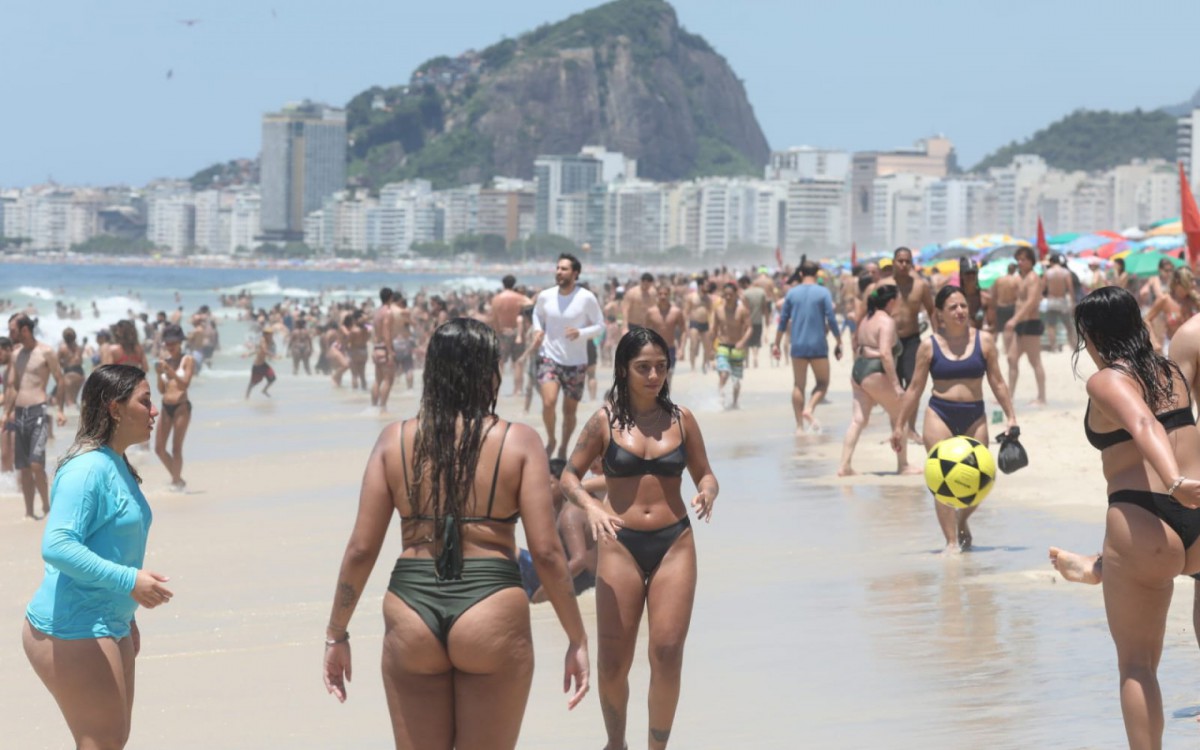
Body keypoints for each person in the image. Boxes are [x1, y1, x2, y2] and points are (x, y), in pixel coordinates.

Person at [321, 319, 589, 749]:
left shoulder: (395, 440)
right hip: (492, 608)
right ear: (488, 373)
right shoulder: (519, 442)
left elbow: (360, 549)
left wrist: (337, 633)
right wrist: (576, 637)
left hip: (411, 606)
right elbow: (547, 552)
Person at [1045, 287, 1200, 749]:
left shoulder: (1107, 380)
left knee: (1137, 665)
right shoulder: (1171, 370)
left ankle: (1098, 568)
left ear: (1089, 334)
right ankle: (1096, 567)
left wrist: (1173, 481)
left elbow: (1144, 426)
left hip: (1148, 518)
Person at [560, 326, 718, 750]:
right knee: (613, 662)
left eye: (661, 367)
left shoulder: (682, 419)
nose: (653, 375)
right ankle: (616, 743)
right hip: (620, 544)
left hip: (674, 543)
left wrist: (707, 490)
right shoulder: (604, 421)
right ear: (624, 369)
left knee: (666, 653)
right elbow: (568, 475)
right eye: (643, 367)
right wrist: (592, 507)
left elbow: (704, 471)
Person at [22, 364, 174, 750]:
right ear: (115, 408)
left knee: (112, 741)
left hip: (110, 620)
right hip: (73, 625)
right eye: (145, 400)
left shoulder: (116, 461)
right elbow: (57, 545)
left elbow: (111, 543)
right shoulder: (87, 468)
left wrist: (128, 612)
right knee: (102, 743)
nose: (154, 410)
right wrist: (130, 582)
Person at [890, 285, 1018, 552]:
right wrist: (900, 425)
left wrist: (1011, 417)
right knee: (941, 478)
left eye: (963, 306)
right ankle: (950, 542)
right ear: (939, 313)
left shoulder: (984, 341)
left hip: (974, 414)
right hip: (940, 414)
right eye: (953, 307)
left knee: (984, 475)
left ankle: (962, 519)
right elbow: (914, 388)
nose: (960, 311)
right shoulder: (929, 346)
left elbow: (997, 381)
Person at [838, 285, 918, 477]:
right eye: (897, 299)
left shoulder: (865, 319)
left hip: (858, 370)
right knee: (900, 415)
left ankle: (844, 466)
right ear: (891, 302)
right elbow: (885, 353)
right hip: (874, 371)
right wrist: (896, 385)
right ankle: (903, 465)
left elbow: (858, 345)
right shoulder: (886, 321)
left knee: (858, 421)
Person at [531, 253, 604, 459]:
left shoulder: (586, 297)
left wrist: (580, 333)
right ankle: (551, 439)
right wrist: (538, 330)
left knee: (569, 411)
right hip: (549, 356)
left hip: (576, 362)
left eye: (564, 269)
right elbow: (537, 314)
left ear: (575, 273)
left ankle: (563, 446)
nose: (559, 272)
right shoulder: (546, 295)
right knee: (548, 402)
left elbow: (600, 326)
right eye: (557, 268)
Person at [5, 314, 68, 519]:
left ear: (25, 330)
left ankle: (47, 507)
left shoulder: (46, 352)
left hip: (39, 411)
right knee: (23, 467)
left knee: (36, 464)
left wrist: (60, 410)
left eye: (12, 330)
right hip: (19, 413)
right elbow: (13, 387)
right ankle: (29, 513)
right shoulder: (16, 355)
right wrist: (6, 413)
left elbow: (60, 380)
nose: (9, 334)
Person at [772, 261, 843, 434]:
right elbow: (832, 319)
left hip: (798, 344)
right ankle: (809, 409)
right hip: (818, 344)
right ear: (817, 274)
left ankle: (799, 427)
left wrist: (777, 343)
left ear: (801, 274)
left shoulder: (791, 294)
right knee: (823, 383)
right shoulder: (823, 292)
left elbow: (782, 321)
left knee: (798, 385)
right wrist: (839, 340)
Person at [153, 325, 194, 491]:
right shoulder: (166, 361)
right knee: (159, 448)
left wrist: (172, 372)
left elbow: (185, 385)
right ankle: (178, 479)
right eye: (168, 343)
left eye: (173, 343)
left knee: (176, 448)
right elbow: (162, 390)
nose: (170, 347)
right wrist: (158, 374)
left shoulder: (187, 360)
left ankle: (176, 483)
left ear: (180, 343)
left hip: (181, 407)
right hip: (165, 406)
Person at [1005, 246, 1047, 405]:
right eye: (1018, 259)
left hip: (1030, 323)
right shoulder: (1022, 278)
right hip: (1021, 324)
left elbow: (1031, 302)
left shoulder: (1033, 277)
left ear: (1031, 261)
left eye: (1023, 259)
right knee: (1011, 358)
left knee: (1035, 361)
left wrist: (1014, 319)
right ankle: (1009, 396)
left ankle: (1042, 397)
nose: (1020, 262)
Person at [712, 282, 752, 409]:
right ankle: (720, 399)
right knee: (724, 373)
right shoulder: (718, 310)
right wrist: (710, 350)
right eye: (726, 294)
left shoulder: (742, 310)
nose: (728, 297)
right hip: (723, 346)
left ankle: (735, 403)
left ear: (736, 294)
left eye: (731, 294)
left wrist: (742, 341)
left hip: (737, 347)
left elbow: (750, 328)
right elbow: (713, 330)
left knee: (735, 380)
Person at [491, 275, 532, 397]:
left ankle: (494, 391)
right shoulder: (520, 298)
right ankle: (517, 391)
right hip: (517, 332)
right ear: (514, 284)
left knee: (499, 363)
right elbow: (531, 306)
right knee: (518, 363)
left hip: (502, 333)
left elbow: (494, 319)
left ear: (503, 284)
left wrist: (497, 333)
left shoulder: (496, 299)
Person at [1143, 266, 1198, 354]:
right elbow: (1146, 319)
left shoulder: (1194, 300)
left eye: (1193, 280)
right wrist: (1154, 341)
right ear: (1178, 283)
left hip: (1193, 346)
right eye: (1190, 280)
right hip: (1171, 346)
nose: (1194, 283)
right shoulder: (1165, 300)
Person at [1042, 254, 1076, 353]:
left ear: (1051, 262)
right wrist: (1073, 301)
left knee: (1051, 325)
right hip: (1062, 301)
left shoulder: (1048, 272)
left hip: (1051, 300)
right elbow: (1070, 288)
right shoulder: (1065, 272)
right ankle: (1073, 346)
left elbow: (1042, 288)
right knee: (1068, 325)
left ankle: (1053, 347)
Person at [371, 288, 396, 411]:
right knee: (388, 379)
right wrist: (390, 352)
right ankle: (382, 407)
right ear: (390, 297)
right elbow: (386, 334)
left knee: (378, 379)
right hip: (384, 349)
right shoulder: (388, 312)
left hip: (376, 348)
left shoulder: (377, 312)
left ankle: (373, 406)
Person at [739, 274, 772, 368]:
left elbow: (743, 309)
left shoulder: (745, 294)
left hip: (747, 321)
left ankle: (747, 362)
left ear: (745, 284)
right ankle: (755, 356)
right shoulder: (761, 292)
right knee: (756, 341)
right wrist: (767, 321)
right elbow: (765, 308)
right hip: (758, 320)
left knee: (746, 341)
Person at [57, 327, 86, 408]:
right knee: (74, 399)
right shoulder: (79, 348)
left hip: (69, 372)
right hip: (80, 373)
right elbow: (81, 361)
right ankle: (77, 415)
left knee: (69, 400)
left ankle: (72, 418)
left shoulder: (62, 348)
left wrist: (63, 365)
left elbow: (56, 362)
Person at [245, 329, 276, 399]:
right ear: (266, 335)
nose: (272, 335)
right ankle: (246, 397)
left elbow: (258, 350)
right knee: (253, 382)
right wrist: (273, 355)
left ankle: (264, 390)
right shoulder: (263, 340)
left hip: (263, 364)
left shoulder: (269, 341)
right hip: (257, 365)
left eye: (272, 334)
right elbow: (264, 350)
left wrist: (249, 354)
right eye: (270, 334)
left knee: (272, 378)